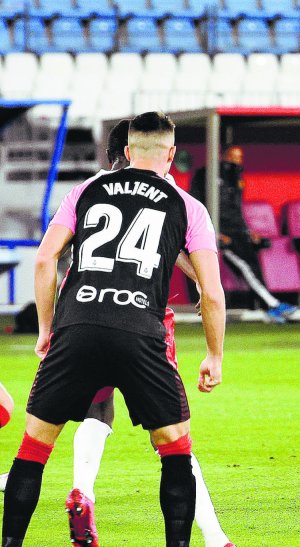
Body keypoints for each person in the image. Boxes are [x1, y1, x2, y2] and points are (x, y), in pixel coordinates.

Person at [3, 111, 226, 547]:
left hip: (78, 325)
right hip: (142, 330)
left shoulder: (87, 189)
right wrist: (214, 355)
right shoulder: (187, 205)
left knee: (32, 451)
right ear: (172, 154)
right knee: (175, 449)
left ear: (126, 152)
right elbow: (212, 292)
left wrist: (46, 328)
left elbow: (46, 259)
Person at [193, 146, 296, 324]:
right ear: (221, 156)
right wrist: (215, 232)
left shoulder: (237, 177)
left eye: (239, 157)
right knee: (245, 268)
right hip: (221, 234)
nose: (235, 161)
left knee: (254, 268)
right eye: (232, 156)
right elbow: (199, 205)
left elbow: (236, 210)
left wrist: (247, 231)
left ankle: (269, 309)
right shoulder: (205, 175)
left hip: (239, 232)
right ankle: (273, 305)